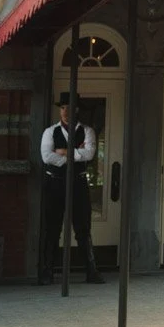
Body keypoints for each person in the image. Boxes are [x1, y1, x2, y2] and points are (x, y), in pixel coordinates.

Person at [39, 94, 103, 285]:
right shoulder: (50, 132)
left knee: (83, 228)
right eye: (63, 107)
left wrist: (64, 152)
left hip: (78, 183)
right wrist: (74, 155)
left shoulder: (87, 131)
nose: (65, 112)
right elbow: (46, 157)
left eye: (69, 107)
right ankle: (47, 272)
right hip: (55, 183)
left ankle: (91, 271)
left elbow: (90, 153)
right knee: (52, 227)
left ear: (76, 110)